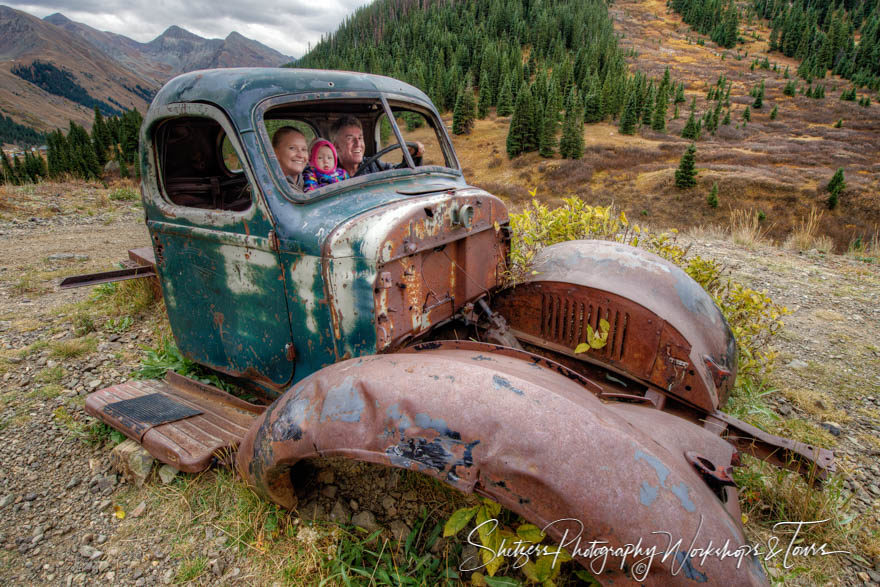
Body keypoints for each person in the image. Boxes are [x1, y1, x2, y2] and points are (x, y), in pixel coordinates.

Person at [331, 115, 424, 178]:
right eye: (350, 138)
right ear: (337, 146)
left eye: (360, 138)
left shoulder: (373, 165)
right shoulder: (328, 175)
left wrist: (413, 156)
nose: (358, 144)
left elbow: (401, 175)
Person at [271, 126, 308, 193]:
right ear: (274, 153)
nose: (300, 155)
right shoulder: (271, 189)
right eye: (292, 148)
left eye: (304, 149)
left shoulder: (311, 177)